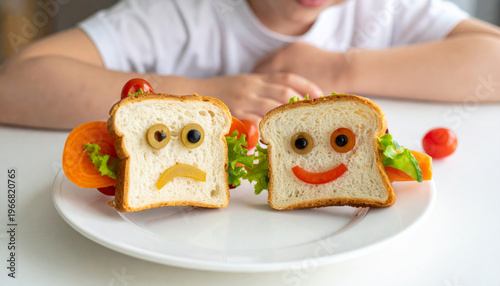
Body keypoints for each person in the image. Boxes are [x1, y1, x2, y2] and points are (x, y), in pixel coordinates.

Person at [0, 0, 499, 129]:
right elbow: (17, 85)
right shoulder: (178, 15)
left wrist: (342, 70)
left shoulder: (384, 10)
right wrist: (200, 98)